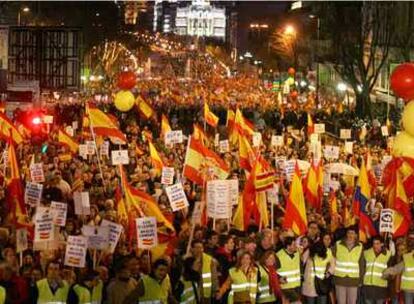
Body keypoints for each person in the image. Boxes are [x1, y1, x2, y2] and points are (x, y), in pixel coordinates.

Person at [332, 227, 363, 304]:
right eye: (349, 233)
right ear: (346, 234)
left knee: (352, 302)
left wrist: (361, 279)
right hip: (340, 279)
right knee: (340, 302)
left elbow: (361, 263)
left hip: (353, 280)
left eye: (352, 233)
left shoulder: (360, 246)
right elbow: (332, 259)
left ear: (356, 235)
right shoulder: (338, 244)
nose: (350, 235)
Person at [362, 236, 391, 304]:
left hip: (380, 287)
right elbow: (362, 267)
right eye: (374, 243)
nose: (375, 245)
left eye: (377, 243)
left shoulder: (388, 254)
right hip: (368, 286)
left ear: (382, 244)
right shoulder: (366, 253)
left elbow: (390, 270)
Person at [276, 236, 301, 304]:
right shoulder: (278, 255)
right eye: (294, 245)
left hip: (297, 286)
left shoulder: (297, 253)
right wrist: (279, 278)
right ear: (288, 246)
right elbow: (273, 271)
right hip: (286, 287)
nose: (296, 246)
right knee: (297, 302)